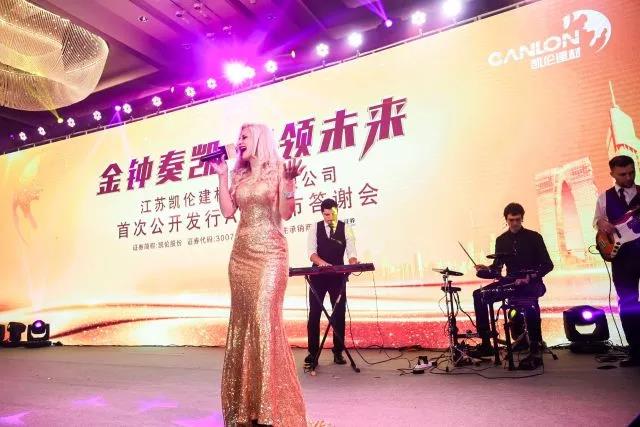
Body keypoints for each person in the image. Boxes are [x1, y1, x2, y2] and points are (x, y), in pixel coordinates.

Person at [213, 123, 307, 426]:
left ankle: (271, 407)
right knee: (244, 324)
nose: (239, 141)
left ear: (258, 140)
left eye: (244, 137)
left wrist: (288, 183)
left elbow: (286, 213)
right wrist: (222, 175)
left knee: (264, 321)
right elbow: (228, 212)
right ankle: (247, 407)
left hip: (271, 255)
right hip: (241, 256)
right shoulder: (239, 175)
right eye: (238, 137)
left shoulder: (278, 169)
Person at [474, 202, 554, 369]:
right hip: (510, 282)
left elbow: (548, 265)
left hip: (532, 283)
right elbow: (497, 268)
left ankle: (535, 351)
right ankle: (486, 342)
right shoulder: (501, 240)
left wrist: (529, 277)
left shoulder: (534, 237)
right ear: (506, 220)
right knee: (479, 295)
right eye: (511, 220)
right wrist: (486, 269)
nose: (515, 223)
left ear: (522, 218)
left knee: (529, 302)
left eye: (518, 219)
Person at [594, 155, 640, 367]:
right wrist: (601, 224)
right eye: (623, 174)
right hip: (622, 259)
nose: (628, 177)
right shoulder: (604, 198)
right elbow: (597, 221)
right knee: (628, 304)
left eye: (632, 172)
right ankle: (636, 350)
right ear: (612, 173)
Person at [305, 199, 358, 366]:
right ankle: (313, 353)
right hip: (318, 277)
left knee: (339, 313)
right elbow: (312, 254)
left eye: (333, 214)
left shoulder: (346, 228)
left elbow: (352, 252)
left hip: (337, 277)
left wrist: (353, 262)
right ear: (322, 213)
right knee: (314, 314)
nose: (330, 218)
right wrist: (323, 263)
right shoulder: (315, 227)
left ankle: (338, 352)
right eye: (327, 215)